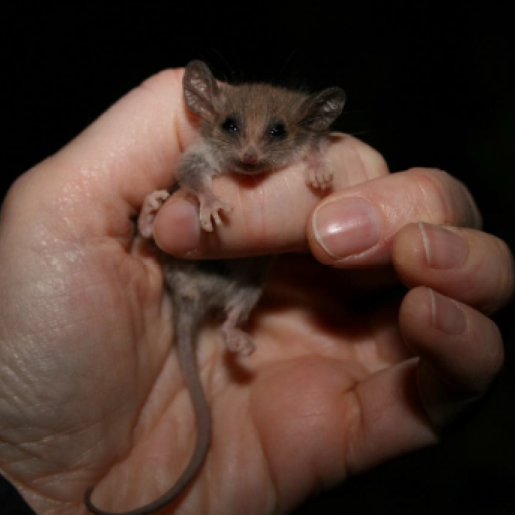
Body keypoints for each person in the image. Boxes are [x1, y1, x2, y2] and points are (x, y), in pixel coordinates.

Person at [0, 68, 512, 514]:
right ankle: (198, 279)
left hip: (238, 288)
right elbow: (190, 170)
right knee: (194, 237)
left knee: (259, 264)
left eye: (272, 134)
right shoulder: (205, 147)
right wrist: (199, 198)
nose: (248, 151)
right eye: (231, 128)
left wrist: (316, 166)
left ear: (306, 128)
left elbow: (313, 151)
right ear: (205, 110)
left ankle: (232, 321)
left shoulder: (309, 145)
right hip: (180, 281)